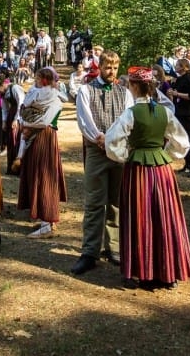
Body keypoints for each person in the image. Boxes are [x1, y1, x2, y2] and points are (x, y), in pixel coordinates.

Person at [105, 67, 190, 289]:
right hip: (163, 171)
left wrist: (126, 156)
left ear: (134, 86)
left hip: (138, 171)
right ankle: (168, 272)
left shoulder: (131, 113)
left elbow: (112, 142)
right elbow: (182, 143)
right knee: (165, 217)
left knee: (140, 217)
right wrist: (165, 154)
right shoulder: (165, 112)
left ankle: (143, 270)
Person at [71, 50, 133, 275]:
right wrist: (98, 136)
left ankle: (114, 248)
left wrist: (114, 140)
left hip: (118, 151)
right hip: (97, 151)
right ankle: (89, 252)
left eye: (115, 68)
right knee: (95, 202)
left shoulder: (124, 93)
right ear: (100, 67)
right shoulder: (86, 91)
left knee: (116, 202)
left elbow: (128, 117)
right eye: (108, 67)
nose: (112, 71)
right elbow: (83, 117)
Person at [17, 67, 67, 240]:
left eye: (39, 78)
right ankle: (44, 217)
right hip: (36, 138)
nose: (36, 81)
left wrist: (27, 123)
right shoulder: (36, 94)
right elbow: (25, 107)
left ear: (44, 80)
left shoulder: (53, 98)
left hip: (44, 138)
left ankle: (48, 223)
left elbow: (45, 121)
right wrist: (25, 121)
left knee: (45, 177)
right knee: (36, 175)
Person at [167, 58, 190, 178]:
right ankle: (187, 164)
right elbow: (175, 91)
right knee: (183, 139)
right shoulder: (178, 79)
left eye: (177, 65)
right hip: (180, 112)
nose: (175, 67)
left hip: (188, 113)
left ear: (184, 67)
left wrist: (176, 94)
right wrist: (172, 91)